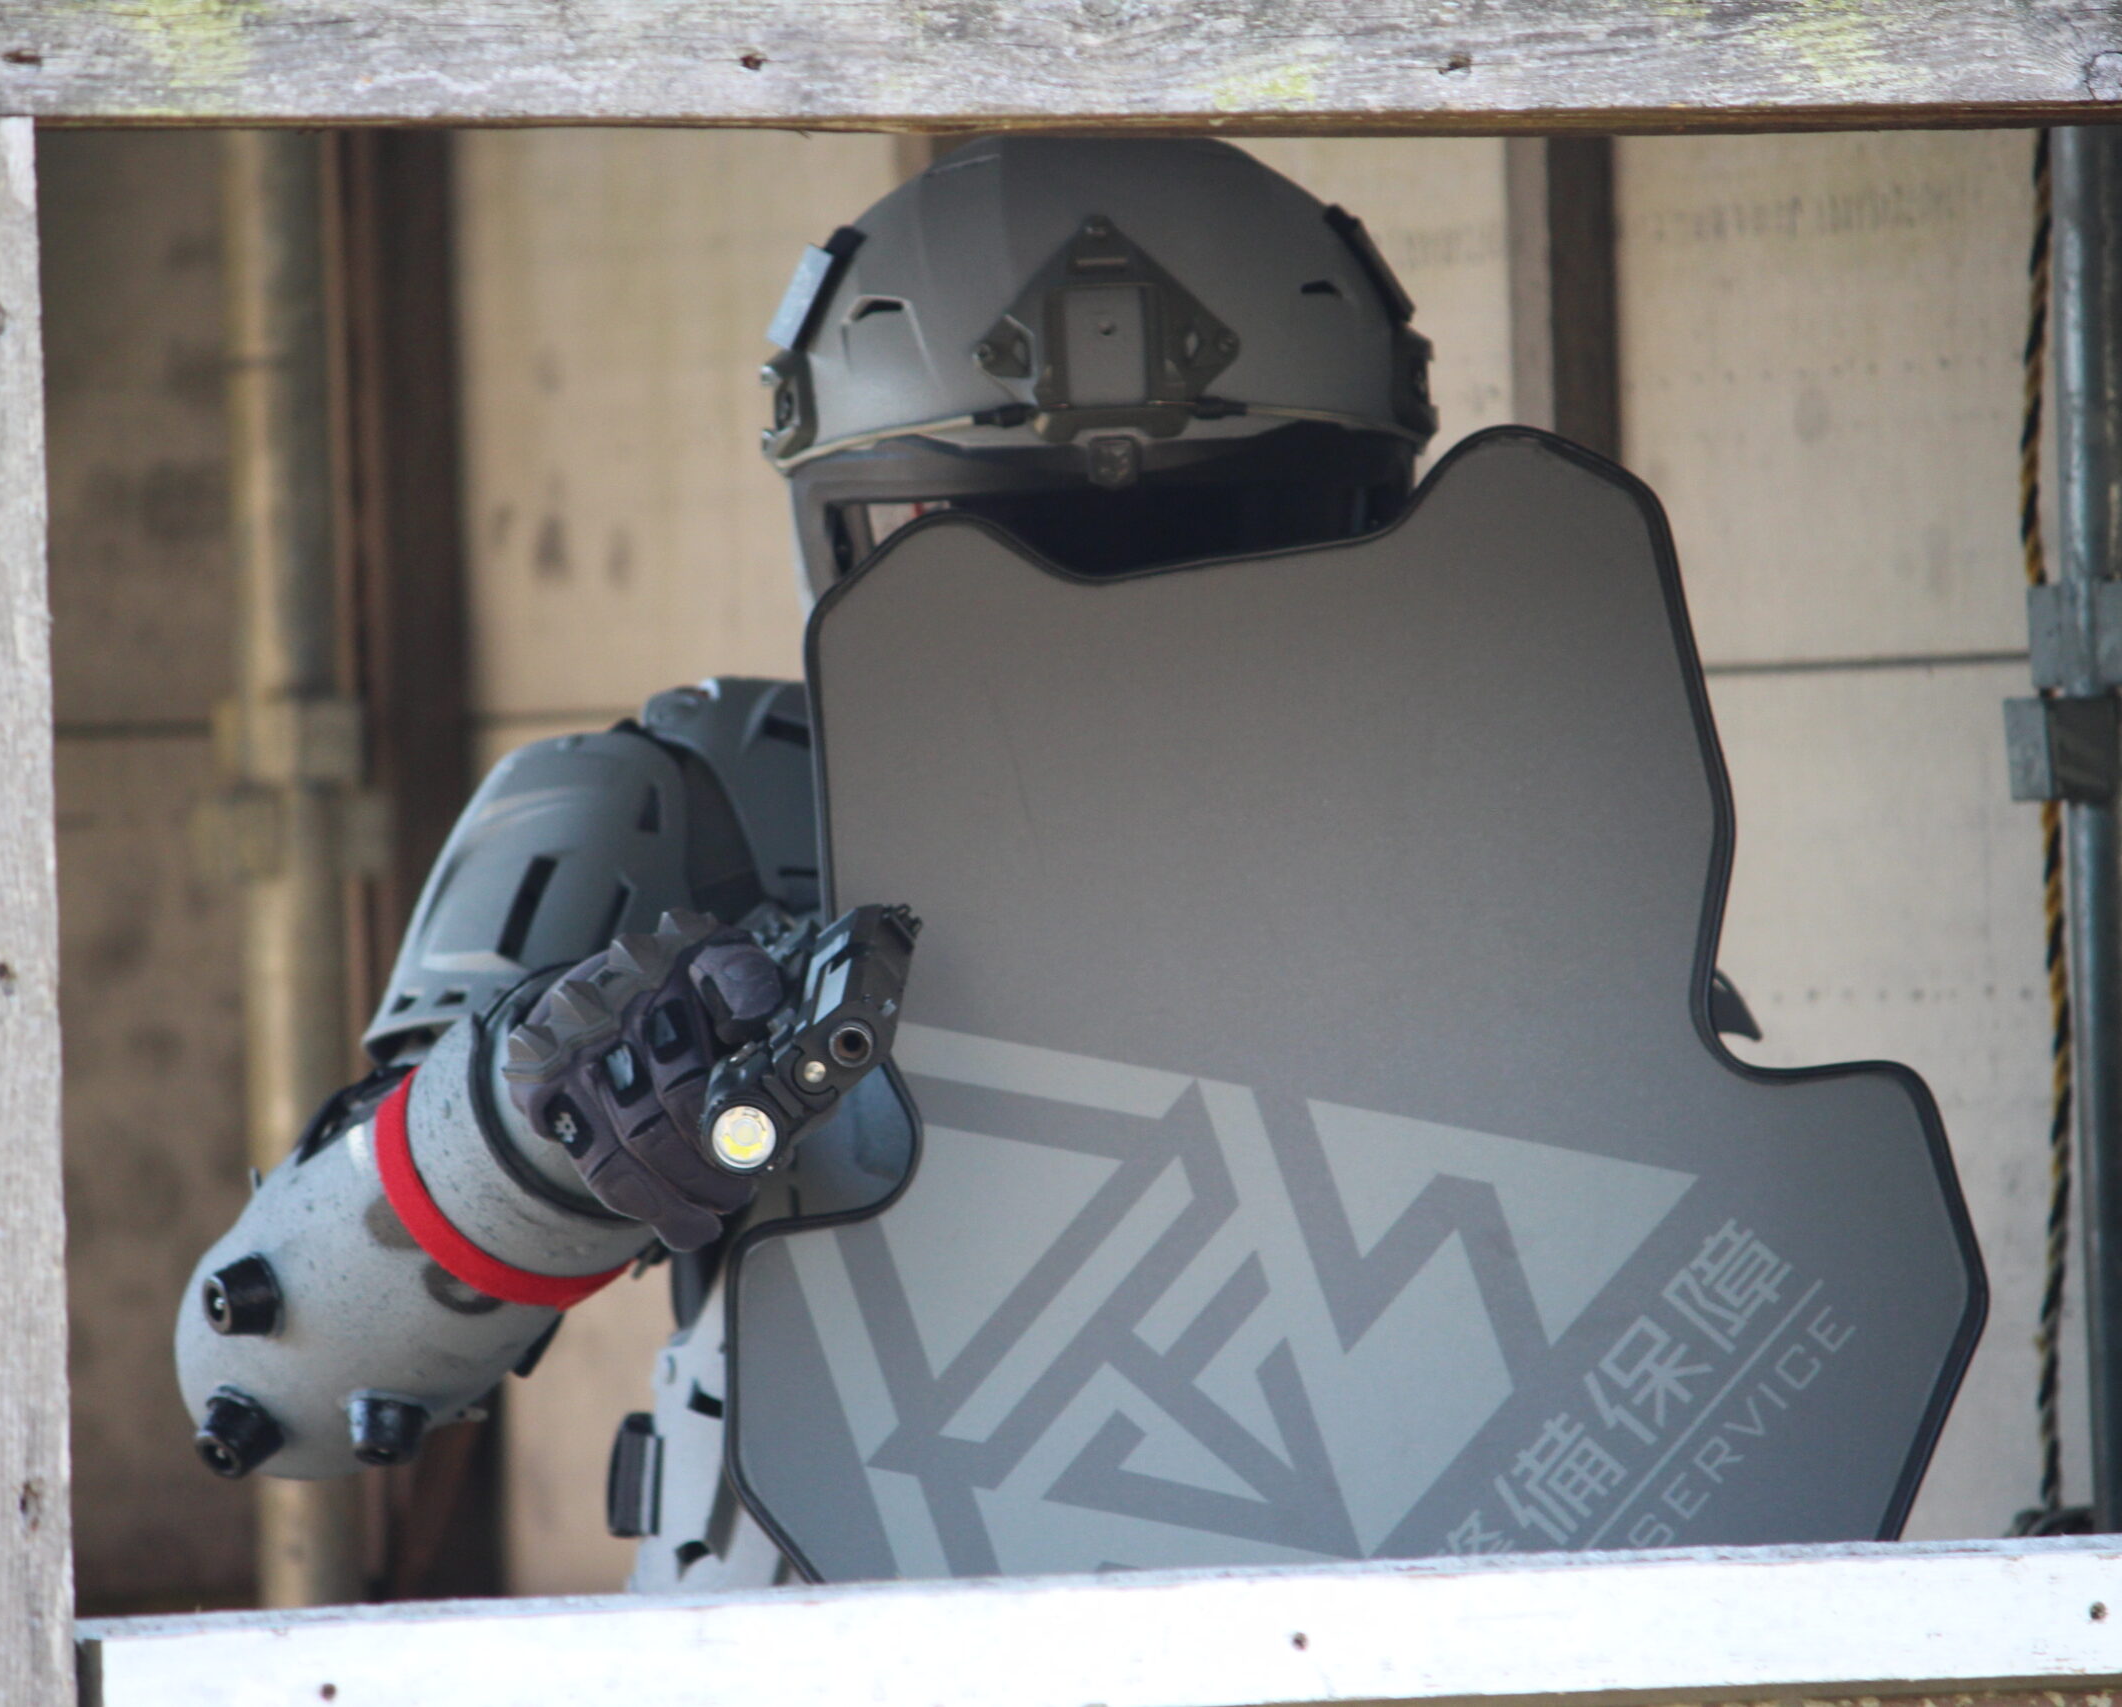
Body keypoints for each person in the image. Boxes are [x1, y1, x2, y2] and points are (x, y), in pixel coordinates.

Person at [175, 132, 1452, 1587]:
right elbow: (272, 1381)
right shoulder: (699, 806)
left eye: (1206, 539)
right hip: (832, 1630)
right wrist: (547, 1126)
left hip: (1385, 1591)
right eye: (982, 548)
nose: (1097, 618)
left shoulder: (1487, 815)